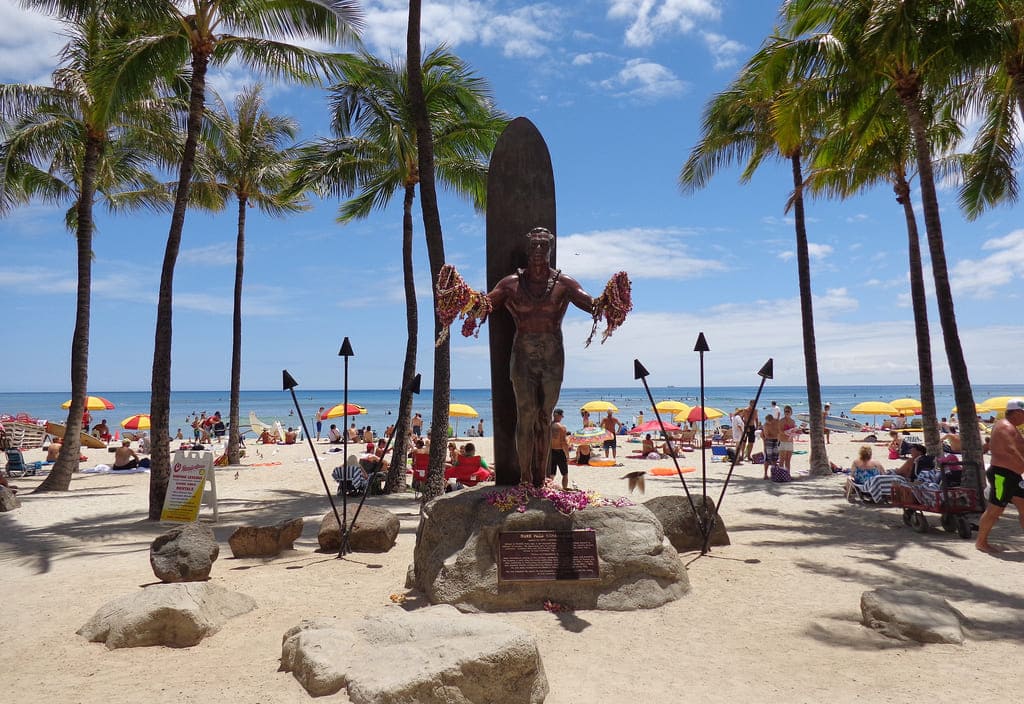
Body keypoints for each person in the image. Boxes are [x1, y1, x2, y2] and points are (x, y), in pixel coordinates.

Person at [484, 227, 597, 485]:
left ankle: (540, 477)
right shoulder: (511, 283)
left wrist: (613, 298)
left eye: (543, 246)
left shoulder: (563, 283)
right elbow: (485, 305)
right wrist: (463, 300)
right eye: (533, 245)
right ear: (527, 249)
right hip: (523, 354)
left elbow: (592, 304)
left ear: (551, 249)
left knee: (544, 418)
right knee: (526, 415)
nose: (537, 251)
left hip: (552, 355)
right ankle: (524, 478)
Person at [975, 399, 1024, 553]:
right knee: (995, 510)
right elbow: (1011, 450)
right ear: (1017, 412)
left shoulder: (1011, 427)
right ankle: (981, 542)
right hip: (1002, 476)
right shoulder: (1005, 426)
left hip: (1013, 476)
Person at [548, 409, 571, 489]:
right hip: (560, 452)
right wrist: (567, 456)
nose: (562, 417)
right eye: (562, 416)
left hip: (550, 452)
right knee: (565, 474)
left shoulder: (548, 426)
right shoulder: (562, 427)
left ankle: (549, 489)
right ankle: (564, 489)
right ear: (559, 415)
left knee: (551, 474)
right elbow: (563, 443)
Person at [762, 412, 780, 479]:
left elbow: (780, 430)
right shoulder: (766, 425)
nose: (770, 423)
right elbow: (767, 436)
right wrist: (776, 436)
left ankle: (774, 474)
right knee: (767, 458)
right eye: (768, 421)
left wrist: (778, 436)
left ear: (772, 419)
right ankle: (765, 474)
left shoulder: (777, 422)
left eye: (770, 421)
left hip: (776, 441)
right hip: (769, 441)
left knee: (775, 458)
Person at [778, 405, 797, 472]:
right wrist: (786, 432)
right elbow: (779, 431)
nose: (787, 412)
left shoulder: (793, 421)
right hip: (782, 441)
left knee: (788, 460)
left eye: (788, 411)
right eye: (785, 411)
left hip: (790, 442)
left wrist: (795, 432)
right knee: (782, 459)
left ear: (791, 412)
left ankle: (787, 474)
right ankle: (780, 474)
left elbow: (794, 431)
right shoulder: (781, 421)